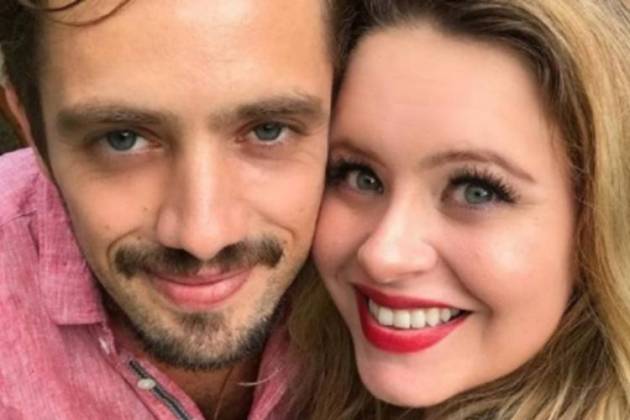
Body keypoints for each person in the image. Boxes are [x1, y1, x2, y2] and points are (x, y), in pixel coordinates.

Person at [0, 0, 349, 418]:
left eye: (268, 130)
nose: (203, 237)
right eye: (122, 138)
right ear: (32, 130)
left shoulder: (393, 264)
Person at [287, 0, 630, 418]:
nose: (383, 255)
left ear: (599, 221)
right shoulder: (295, 372)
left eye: (476, 191)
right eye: (360, 177)